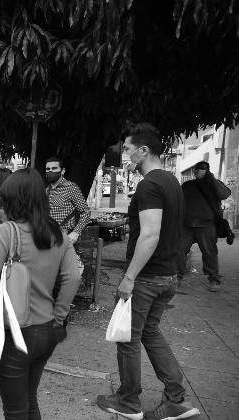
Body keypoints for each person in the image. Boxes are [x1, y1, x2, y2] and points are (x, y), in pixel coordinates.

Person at [96, 123, 200, 420]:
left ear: (143, 150)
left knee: (128, 339)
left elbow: (150, 235)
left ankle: (128, 402)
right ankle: (175, 397)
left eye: (127, 149)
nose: (125, 155)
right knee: (150, 333)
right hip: (167, 275)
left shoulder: (150, 184)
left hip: (147, 277)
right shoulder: (171, 181)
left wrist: (129, 277)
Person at [0, 168, 79, 420]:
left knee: (15, 411)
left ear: (13, 200)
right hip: (47, 331)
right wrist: (59, 318)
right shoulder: (58, 235)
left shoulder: (6, 232)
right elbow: (73, 277)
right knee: (29, 401)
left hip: (14, 335)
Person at [177, 160, 231, 292]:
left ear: (207, 171)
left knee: (209, 253)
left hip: (207, 225)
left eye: (201, 169)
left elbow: (224, 194)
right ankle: (177, 277)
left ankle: (214, 279)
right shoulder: (187, 185)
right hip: (187, 225)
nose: (198, 171)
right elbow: (178, 200)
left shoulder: (215, 184)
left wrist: (211, 179)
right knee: (178, 250)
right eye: (196, 169)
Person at [44, 156, 90, 245]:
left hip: (64, 236)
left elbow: (86, 212)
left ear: (63, 171)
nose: (50, 171)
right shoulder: (46, 190)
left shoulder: (71, 187)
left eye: (54, 168)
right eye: (48, 169)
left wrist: (76, 232)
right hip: (48, 236)